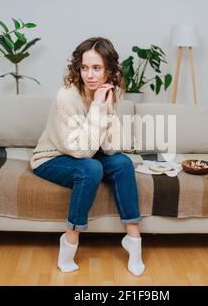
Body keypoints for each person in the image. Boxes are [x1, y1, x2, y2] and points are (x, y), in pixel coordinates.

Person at [30, 37, 145, 276]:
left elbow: (113, 147)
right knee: (90, 168)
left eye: (97, 68)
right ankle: (70, 240)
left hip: (88, 152)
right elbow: (80, 151)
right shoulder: (66, 97)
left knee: (123, 163)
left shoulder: (111, 92)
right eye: (84, 67)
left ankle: (134, 241)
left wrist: (108, 108)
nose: (89, 75)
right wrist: (97, 109)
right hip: (52, 157)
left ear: (108, 70)